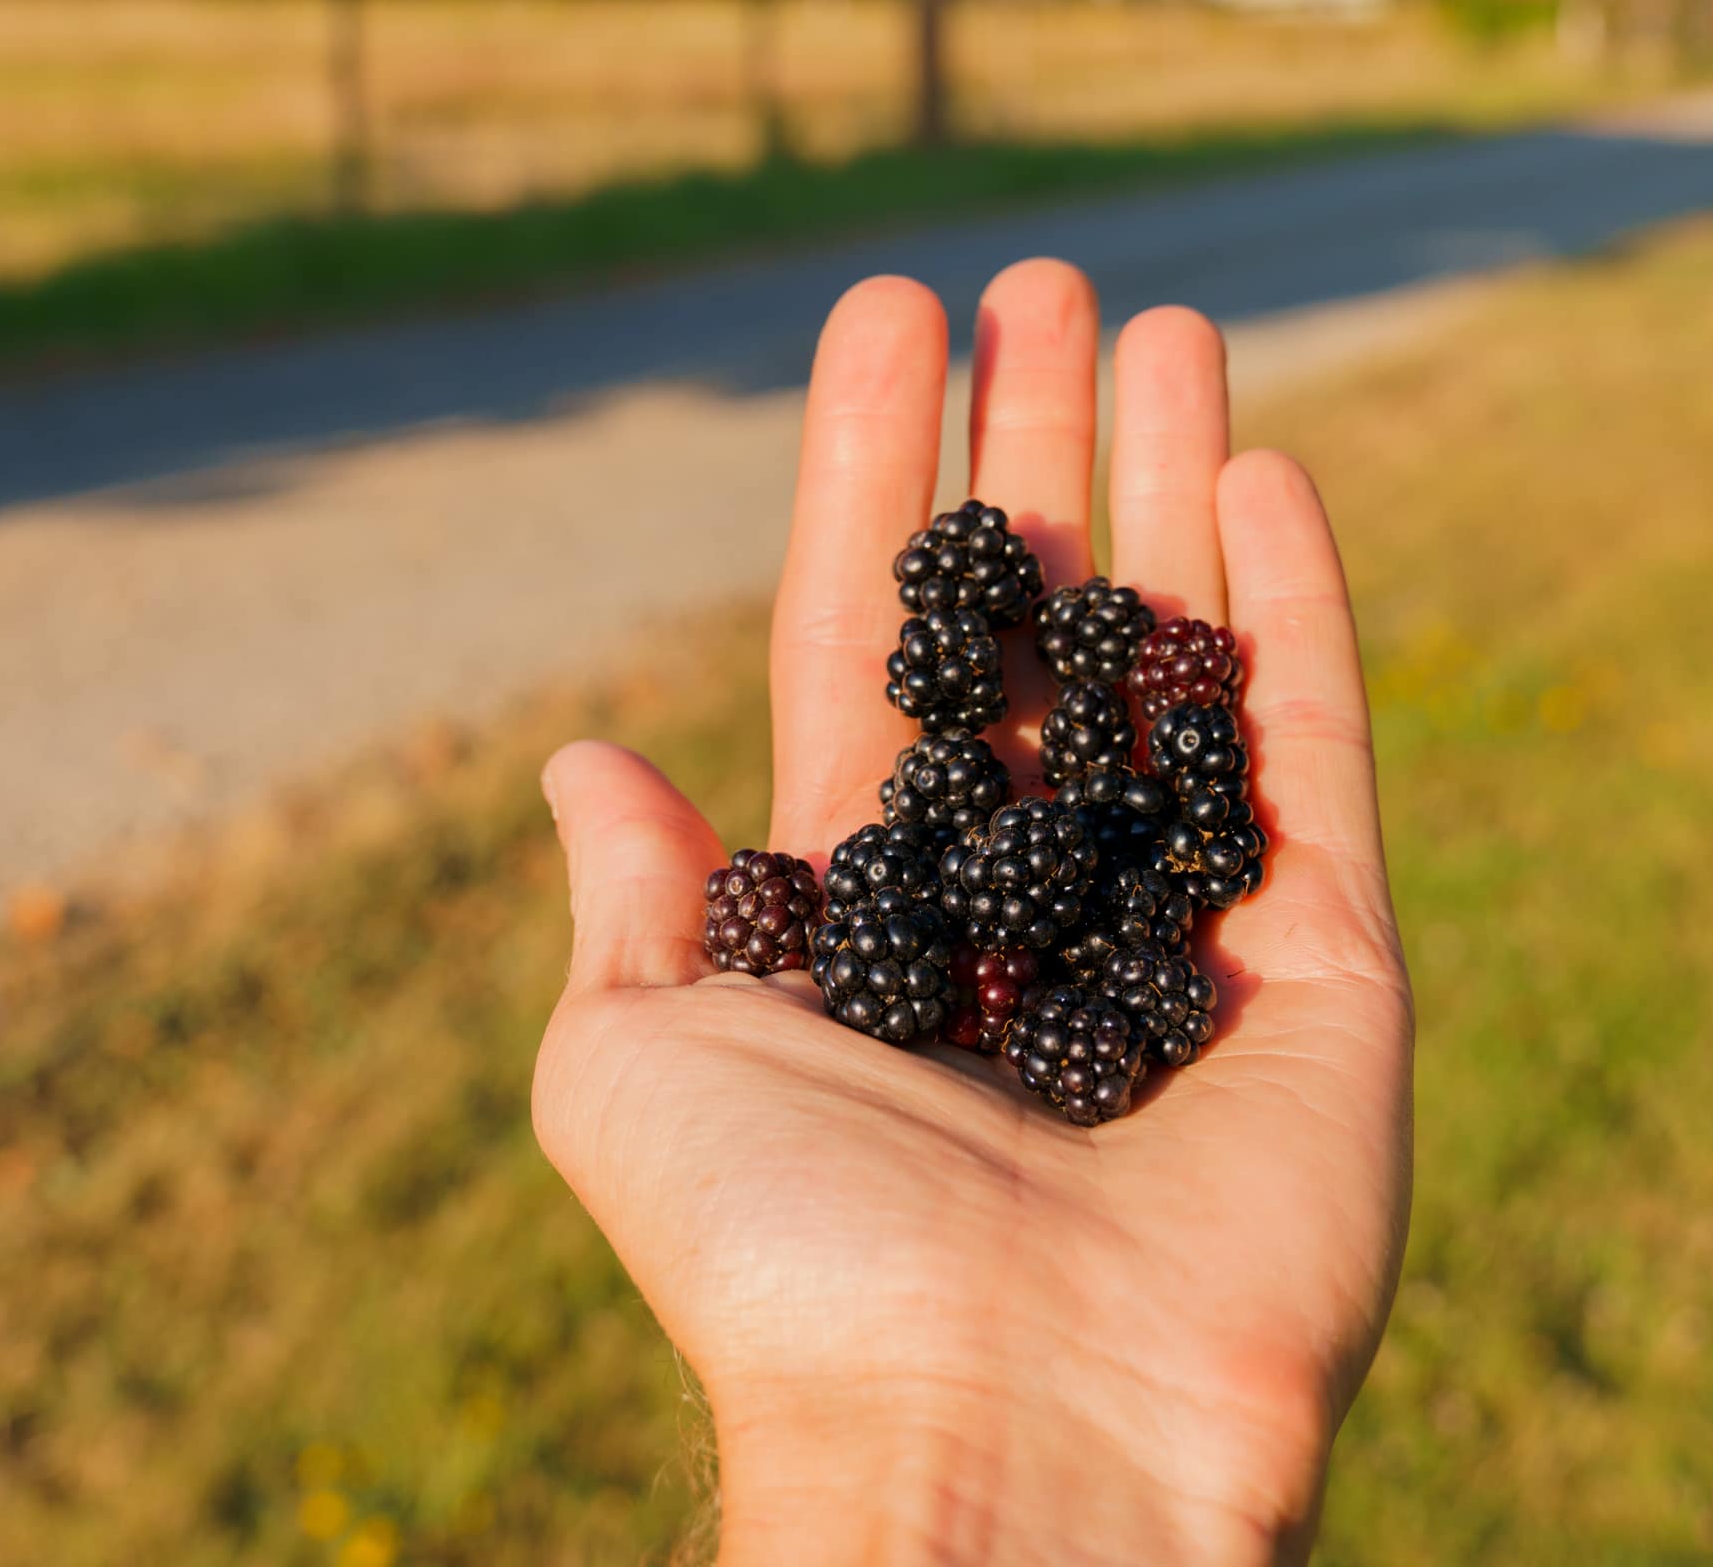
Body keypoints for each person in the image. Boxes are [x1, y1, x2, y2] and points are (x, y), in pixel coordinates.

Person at [531, 260, 1415, 1563]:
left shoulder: (1100, 856)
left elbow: (1108, 875)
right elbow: (996, 897)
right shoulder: (958, 873)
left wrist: (1153, 847)